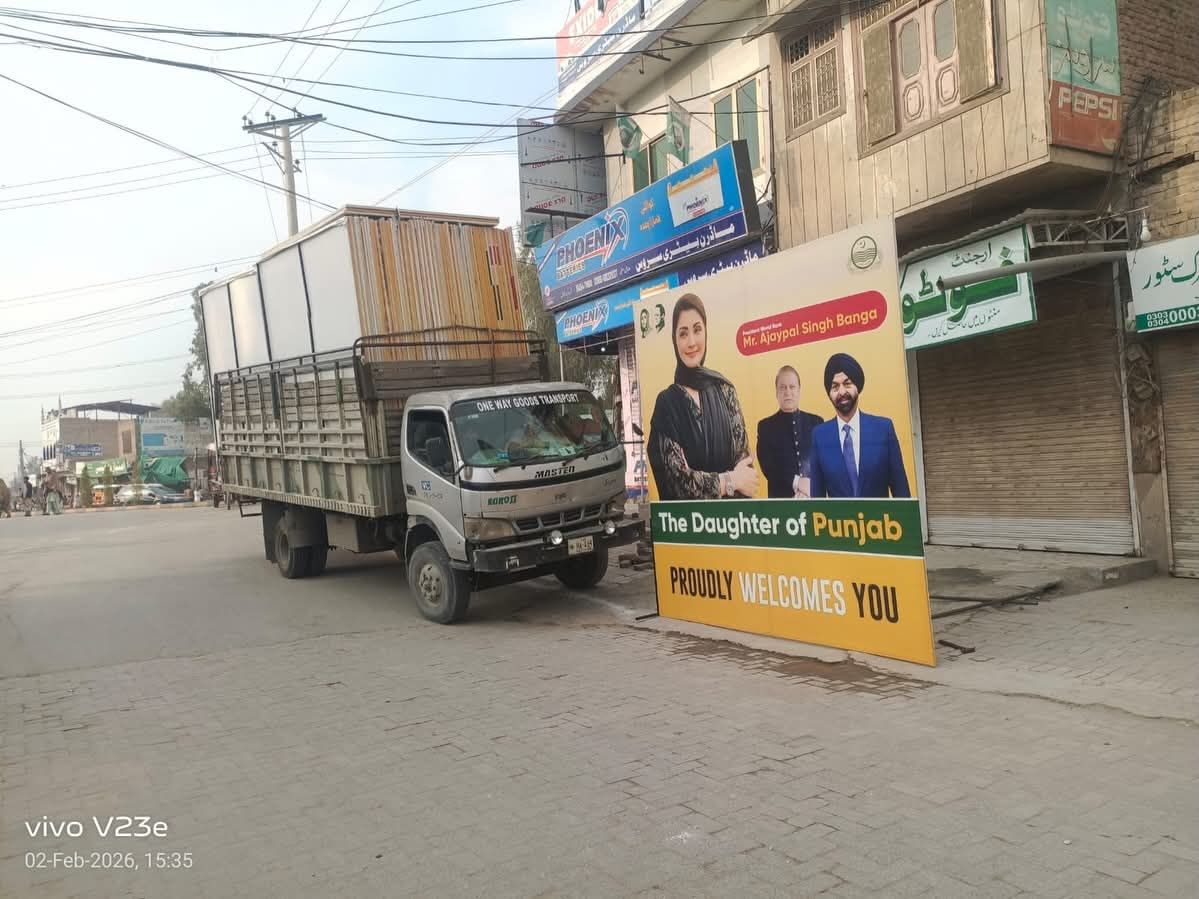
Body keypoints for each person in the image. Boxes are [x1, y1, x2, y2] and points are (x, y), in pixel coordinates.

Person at [647, 293, 758, 500]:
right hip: (688, 521)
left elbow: (746, 473)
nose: (691, 342)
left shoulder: (725, 390)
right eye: (683, 333)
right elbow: (678, 484)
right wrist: (730, 481)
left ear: (706, 332)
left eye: (697, 330)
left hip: (734, 518)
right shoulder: (667, 405)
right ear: (674, 340)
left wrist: (731, 481)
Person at [808, 352, 911, 499]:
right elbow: (817, 500)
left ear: (857, 386)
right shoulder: (819, 436)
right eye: (835, 387)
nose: (842, 392)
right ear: (829, 393)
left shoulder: (883, 429)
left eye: (847, 384)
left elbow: (901, 493)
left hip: (880, 515)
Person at [756, 366, 824, 498]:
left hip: (813, 500)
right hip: (781, 503)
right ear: (776, 392)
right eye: (783, 387)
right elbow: (769, 467)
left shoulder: (816, 423)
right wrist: (798, 482)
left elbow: (823, 463)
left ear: (799, 390)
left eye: (792, 387)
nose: (788, 392)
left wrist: (809, 488)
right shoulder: (766, 427)